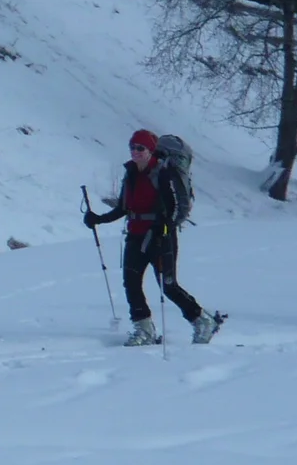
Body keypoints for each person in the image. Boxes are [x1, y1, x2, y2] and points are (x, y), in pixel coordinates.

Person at [84, 129, 225, 346]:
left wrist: (164, 228)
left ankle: (202, 320)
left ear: (150, 150)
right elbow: (123, 207)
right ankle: (144, 330)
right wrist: (98, 219)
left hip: (161, 238)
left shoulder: (163, 172)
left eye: (140, 148)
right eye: (132, 147)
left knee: (168, 286)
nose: (135, 151)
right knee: (131, 283)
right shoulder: (130, 173)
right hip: (135, 235)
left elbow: (176, 207)